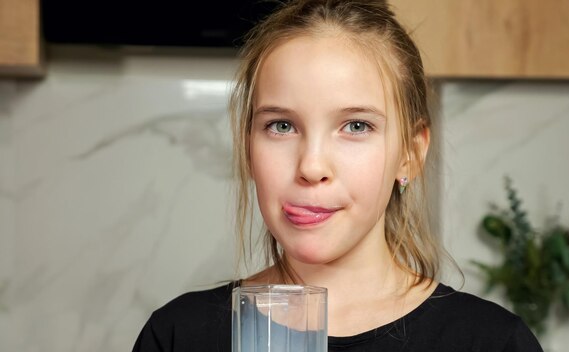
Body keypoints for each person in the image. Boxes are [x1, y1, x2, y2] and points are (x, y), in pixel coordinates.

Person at [133, 0, 543, 351]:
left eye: (356, 126)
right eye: (281, 126)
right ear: (247, 146)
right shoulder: (176, 336)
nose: (311, 166)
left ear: (411, 154)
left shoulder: (491, 343)